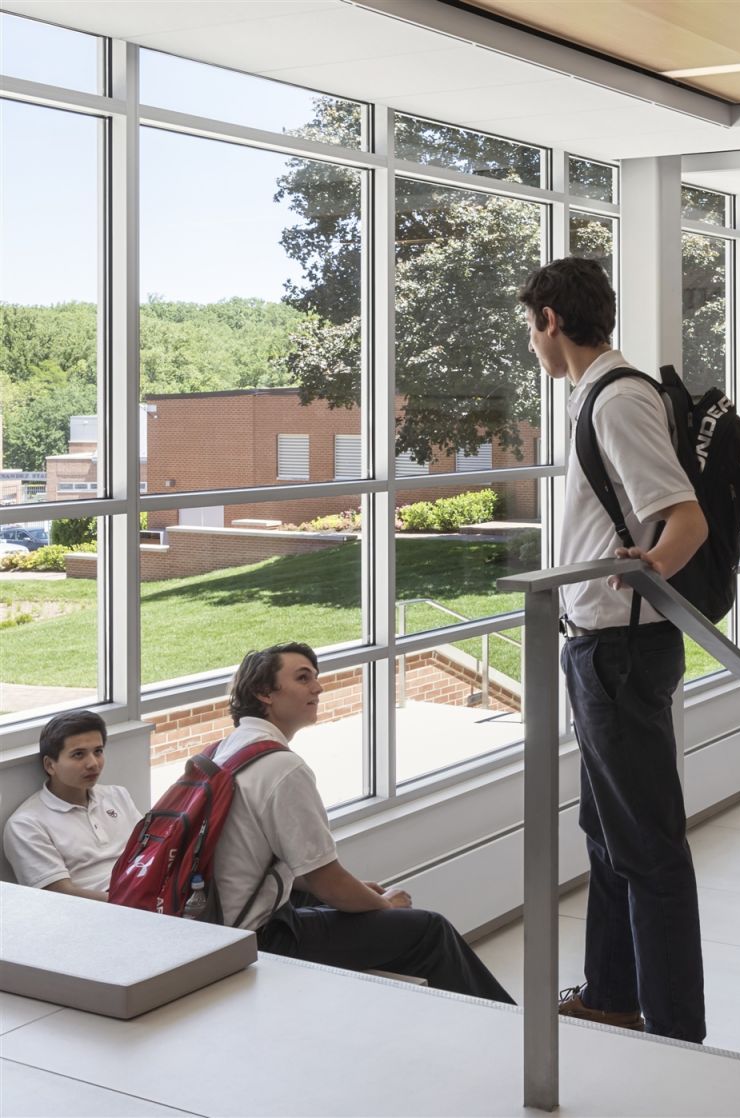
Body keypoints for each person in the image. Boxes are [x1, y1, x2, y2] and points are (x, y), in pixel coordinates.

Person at [524, 257, 706, 1039]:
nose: (530, 341)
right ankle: (610, 994)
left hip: (620, 652)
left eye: (528, 327)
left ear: (549, 321)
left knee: (649, 849)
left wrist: (648, 571)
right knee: (607, 837)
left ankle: (676, 1034)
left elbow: (684, 519)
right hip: (598, 648)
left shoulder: (617, 397)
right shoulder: (601, 394)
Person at [208, 644, 512, 1003]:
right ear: (264, 693)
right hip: (261, 939)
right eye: (303, 678)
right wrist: (384, 905)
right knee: (428, 930)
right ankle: (515, 1032)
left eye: (316, 678)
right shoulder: (281, 768)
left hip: (218, 924)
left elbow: (260, 863)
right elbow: (328, 882)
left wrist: (360, 895)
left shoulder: (222, 751)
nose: (318, 688)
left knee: (344, 901)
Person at [4, 712, 137, 902]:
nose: (93, 764)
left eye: (98, 751)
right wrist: (133, 903)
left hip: (148, 892)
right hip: (100, 912)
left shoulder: (117, 795)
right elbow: (60, 894)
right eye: (78, 755)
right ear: (50, 765)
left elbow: (150, 851)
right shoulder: (26, 824)